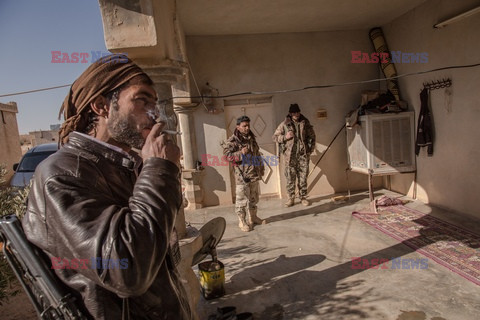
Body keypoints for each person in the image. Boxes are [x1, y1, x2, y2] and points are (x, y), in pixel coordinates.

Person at [21, 55, 193, 320]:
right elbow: (128, 270)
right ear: (102, 106)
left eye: (155, 103)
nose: (154, 113)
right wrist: (158, 170)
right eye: (142, 100)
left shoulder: (125, 165)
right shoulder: (62, 174)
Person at [223, 116, 265, 232]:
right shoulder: (233, 140)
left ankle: (253, 217)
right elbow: (227, 157)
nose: (247, 128)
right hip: (242, 176)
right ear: (238, 127)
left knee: (254, 197)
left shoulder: (252, 138)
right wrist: (240, 153)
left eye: (248, 125)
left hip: (254, 173)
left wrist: (261, 167)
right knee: (241, 199)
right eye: (244, 126)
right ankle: (242, 221)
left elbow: (257, 154)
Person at [273, 103, 316, 207]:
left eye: (297, 112)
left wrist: (310, 150)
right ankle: (291, 198)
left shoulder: (305, 122)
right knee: (290, 179)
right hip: (290, 157)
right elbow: (275, 137)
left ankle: (303, 197)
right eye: (294, 112)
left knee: (303, 178)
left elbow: (312, 136)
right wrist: (285, 137)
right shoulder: (284, 124)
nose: (296, 114)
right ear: (290, 113)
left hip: (302, 156)